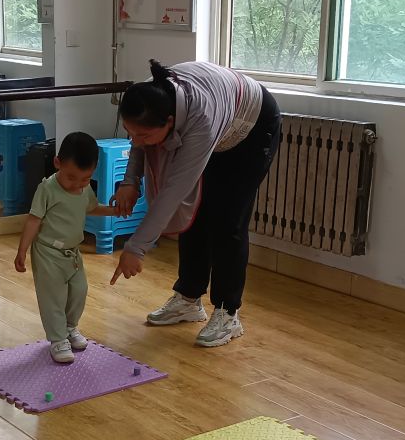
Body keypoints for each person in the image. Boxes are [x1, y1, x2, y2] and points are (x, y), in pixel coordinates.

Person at [109, 59, 281, 348]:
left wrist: (136, 247)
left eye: (145, 135)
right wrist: (130, 181)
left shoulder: (200, 121)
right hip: (219, 118)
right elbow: (139, 140)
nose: (136, 140)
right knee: (195, 211)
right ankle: (189, 298)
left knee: (229, 220)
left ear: (170, 122)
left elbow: (174, 191)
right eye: (130, 131)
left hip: (252, 128)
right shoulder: (147, 98)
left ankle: (228, 312)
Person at [14, 132, 118, 363]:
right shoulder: (47, 189)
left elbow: (91, 208)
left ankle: (70, 328)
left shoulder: (83, 188)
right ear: (57, 163)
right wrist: (22, 250)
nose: (77, 184)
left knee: (79, 291)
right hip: (48, 252)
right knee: (53, 297)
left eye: (85, 179)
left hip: (73, 252)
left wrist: (114, 210)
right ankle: (58, 338)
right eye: (71, 178)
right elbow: (33, 220)